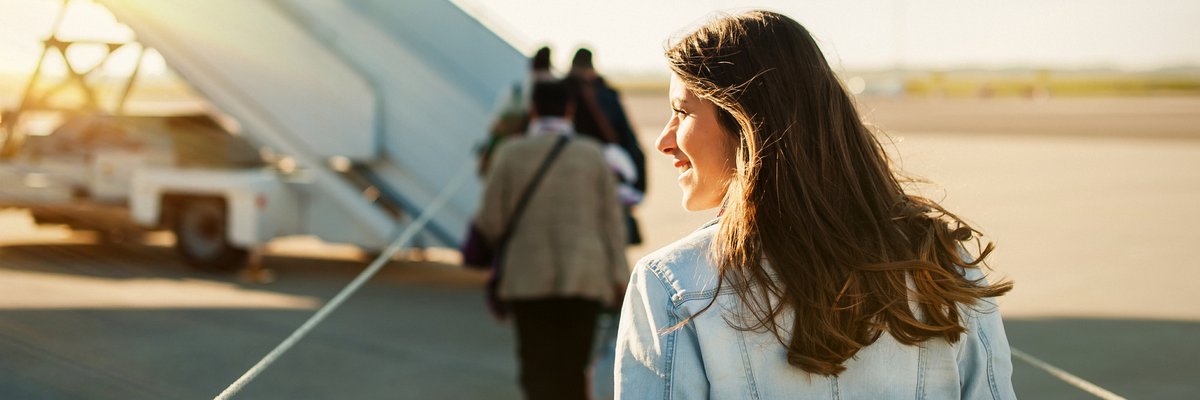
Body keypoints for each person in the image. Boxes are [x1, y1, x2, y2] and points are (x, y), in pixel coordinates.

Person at [614, 11, 1016, 399]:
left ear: (747, 121)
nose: (663, 141)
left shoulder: (674, 285)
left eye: (681, 112)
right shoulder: (942, 265)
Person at [474, 80, 629, 400]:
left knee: (536, 366)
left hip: (528, 277)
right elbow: (612, 224)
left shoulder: (510, 154)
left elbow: (490, 221)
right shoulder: (593, 154)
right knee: (573, 368)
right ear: (570, 110)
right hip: (585, 276)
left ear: (533, 110)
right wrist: (619, 277)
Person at [477, 46, 556, 175]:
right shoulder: (556, 93)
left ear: (533, 64)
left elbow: (494, 124)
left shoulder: (517, 91)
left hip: (505, 152)